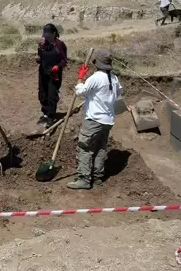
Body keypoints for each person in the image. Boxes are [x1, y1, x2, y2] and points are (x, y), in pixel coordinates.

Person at [68, 49, 123, 190]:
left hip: (94, 120)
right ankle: (98, 177)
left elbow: (80, 92)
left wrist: (80, 77)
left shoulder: (96, 77)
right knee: (100, 148)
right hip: (108, 120)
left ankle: (84, 179)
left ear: (97, 63)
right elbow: (118, 93)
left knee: (85, 147)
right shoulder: (114, 78)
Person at [36, 24, 67, 127]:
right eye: (45, 35)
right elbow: (40, 57)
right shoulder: (43, 44)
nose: (46, 37)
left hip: (54, 75)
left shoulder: (60, 45)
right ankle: (44, 114)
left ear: (54, 34)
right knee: (42, 94)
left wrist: (58, 67)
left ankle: (51, 116)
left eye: (48, 35)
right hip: (43, 72)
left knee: (52, 95)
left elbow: (64, 61)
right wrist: (38, 58)